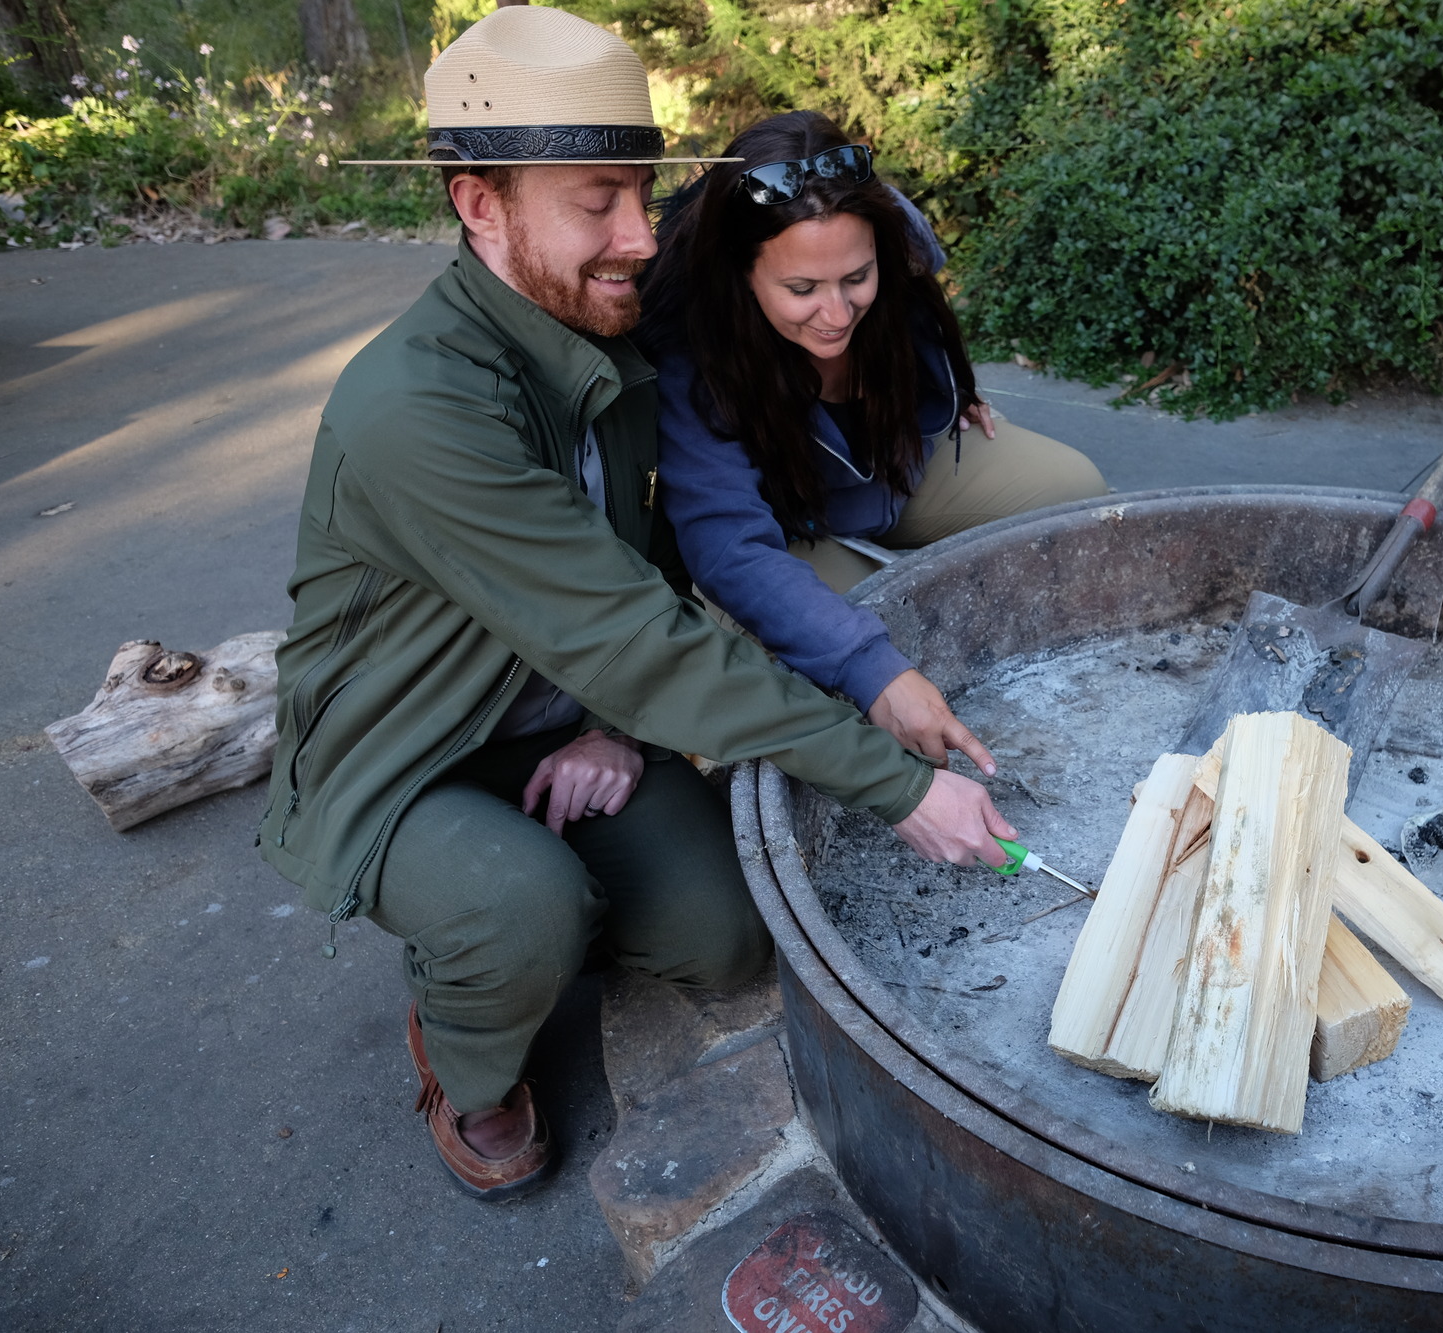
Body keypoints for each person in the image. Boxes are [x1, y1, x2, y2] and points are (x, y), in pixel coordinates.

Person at [262, 6, 1014, 1202]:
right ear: (478, 206)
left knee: (724, 938)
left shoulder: (593, 327)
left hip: (561, 713)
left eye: (644, 195)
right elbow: (630, 633)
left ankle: (523, 909)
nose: (638, 235)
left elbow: (652, 559)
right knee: (522, 909)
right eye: (597, 202)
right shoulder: (421, 406)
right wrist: (896, 780)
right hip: (409, 754)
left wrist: (610, 726)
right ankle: (464, 1033)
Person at [635, 111, 1109, 774]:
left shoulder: (893, 244)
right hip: (785, 525)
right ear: (743, 274)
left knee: (1079, 490)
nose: (836, 314)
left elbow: (925, 330)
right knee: (887, 641)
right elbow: (728, 549)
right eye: (801, 289)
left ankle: (1063, 667)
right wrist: (874, 668)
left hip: (892, 468)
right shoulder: (694, 345)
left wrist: (949, 391)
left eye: (856, 278)